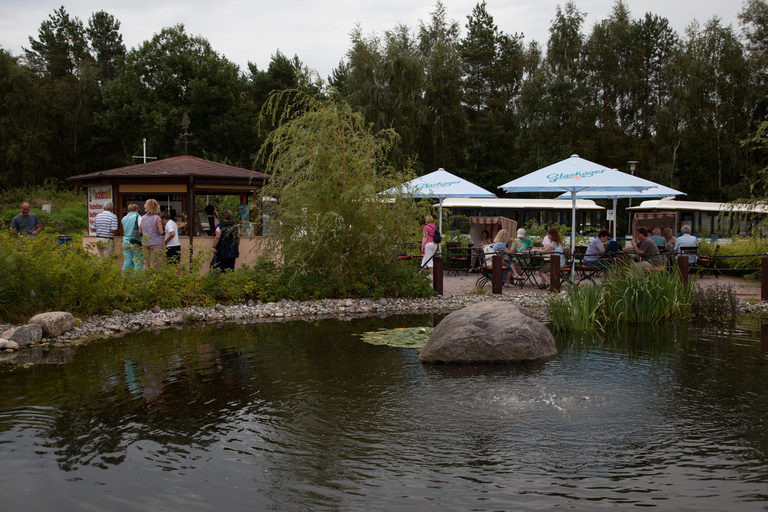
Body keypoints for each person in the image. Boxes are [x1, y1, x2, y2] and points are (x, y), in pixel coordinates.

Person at [141, 199, 164, 268]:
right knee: (154, 263)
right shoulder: (157, 218)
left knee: (146, 263)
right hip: (155, 242)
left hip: (145, 242)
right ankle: (153, 278)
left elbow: (140, 231)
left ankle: (146, 277)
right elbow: (161, 232)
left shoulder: (142, 218)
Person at [122, 204, 143, 274]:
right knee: (138, 261)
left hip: (125, 241)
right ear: (136, 210)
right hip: (135, 241)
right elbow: (141, 230)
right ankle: (138, 279)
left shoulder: (124, 218)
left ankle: (125, 279)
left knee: (127, 262)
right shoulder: (138, 217)